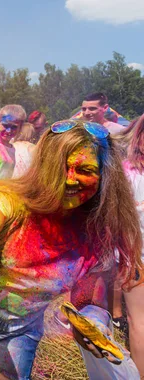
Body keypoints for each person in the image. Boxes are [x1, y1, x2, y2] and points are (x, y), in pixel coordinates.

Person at [0, 119, 143, 380]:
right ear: (45, 165)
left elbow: (89, 300)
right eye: (61, 167)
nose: (70, 179)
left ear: (105, 175)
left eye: (85, 169)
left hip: (16, 335)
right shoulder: (7, 202)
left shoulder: (97, 233)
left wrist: (94, 323)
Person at [120, 114, 144, 375]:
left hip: (133, 254)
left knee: (139, 322)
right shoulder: (127, 172)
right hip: (135, 256)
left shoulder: (126, 172)